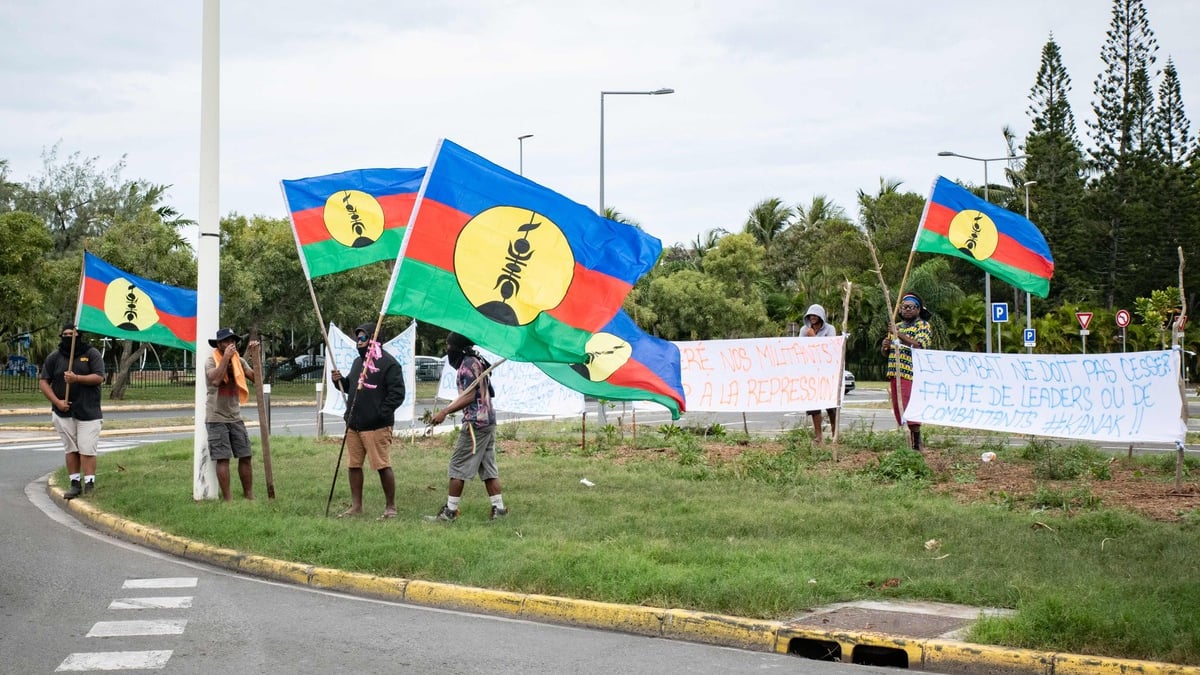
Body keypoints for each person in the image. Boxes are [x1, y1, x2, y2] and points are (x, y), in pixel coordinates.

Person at [426, 332, 506, 522]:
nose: (447, 351)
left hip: (475, 423)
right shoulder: (475, 361)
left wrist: (444, 412)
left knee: (457, 466)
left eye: (448, 346)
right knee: (488, 468)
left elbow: (469, 396)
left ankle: (450, 512)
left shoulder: (467, 366)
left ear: (457, 348)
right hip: (487, 421)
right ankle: (499, 509)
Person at [329, 322, 406, 519]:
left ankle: (391, 507)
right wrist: (339, 381)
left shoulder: (389, 364)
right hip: (354, 424)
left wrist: (380, 413)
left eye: (363, 338)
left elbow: (397, 394)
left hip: (376, 426)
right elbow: (350, 387)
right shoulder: (357, 363)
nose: (358, 341)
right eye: (357, 338)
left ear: (374, 339)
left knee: (382, 465)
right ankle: (356, 506)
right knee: (354, 465)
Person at [39, 323, 105, 499]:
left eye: (72, 334)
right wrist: (57, 402)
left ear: (79, 336)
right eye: (66, 334)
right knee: (71, 448)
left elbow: (99, 377)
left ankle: (89, 482)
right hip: (63, 412)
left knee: (87, 448)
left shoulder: (91, 354)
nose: (69, 337)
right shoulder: (55, 357)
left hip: (88, 411)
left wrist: (77, 378)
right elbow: (44, 381)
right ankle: (75, 483)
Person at [205, 327, 259, 501]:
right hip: (216, 417)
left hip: (235, 416)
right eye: (227, 341)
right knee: (223, 458)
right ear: (219, 344)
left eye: (233, 341)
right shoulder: (211, 360)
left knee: (245, 455)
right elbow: (215, 379)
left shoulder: (240, 361)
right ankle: (228, 499)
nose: (231, 344)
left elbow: (257, 379)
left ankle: (249, 495)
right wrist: (226, 358)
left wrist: (255, 356)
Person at [881, 293, 933, 451]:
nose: (907, 310)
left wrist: (899, 335)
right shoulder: (896, 326)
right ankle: (910, 442)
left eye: (911, 307)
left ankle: (917, 444)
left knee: (910, 408)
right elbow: (886, 352)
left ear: (918, 309)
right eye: (904, 307)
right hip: (895, 373)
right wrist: (885, 345)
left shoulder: (923, 326)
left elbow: (919, 345)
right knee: (899, 409)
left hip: (911, 373)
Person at [799, 304, 838, 446]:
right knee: (814, 406)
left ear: (821, 317)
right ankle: (818, 436)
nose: (813, 318)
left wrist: (814, 338)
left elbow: (829, 349)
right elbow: (800, 349)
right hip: (810, 372)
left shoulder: (830, 329)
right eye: (810, 316)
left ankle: (835, 434)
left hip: (827, 372)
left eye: (815, 315)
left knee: (831, 406)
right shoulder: (804, 330)